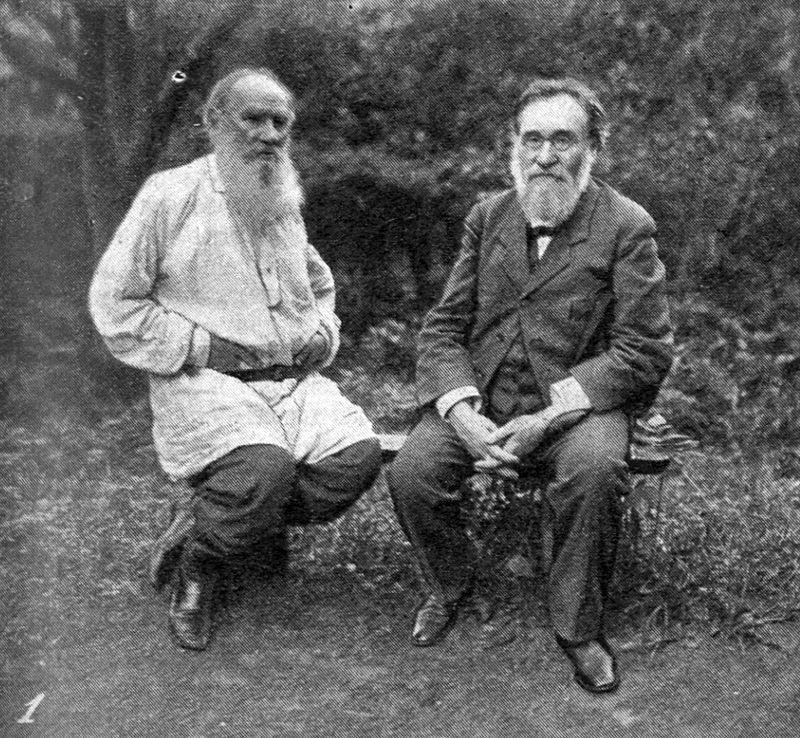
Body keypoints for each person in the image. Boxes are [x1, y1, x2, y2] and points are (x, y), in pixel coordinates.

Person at [388, 77, 673, 693]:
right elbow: (443, 327)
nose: (545, 156)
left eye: (562, 140)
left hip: (579, 408)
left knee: (595, 472)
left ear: (593, 148)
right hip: (485, 398)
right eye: (532, 139)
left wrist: (549, 417)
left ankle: (578, 628)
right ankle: (451, 583)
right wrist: (462, 411)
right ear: (514, 146)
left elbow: (645, 349)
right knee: (412, 473)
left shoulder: (627, 226)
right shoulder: (488, 217)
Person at [89, 67, 381, 651]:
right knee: (263, 471)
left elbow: (319, 284)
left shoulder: (280, 196)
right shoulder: (170, 195)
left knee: (355, 460)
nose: (270, 134)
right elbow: (114, 301)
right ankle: (199, 566)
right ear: (214, 123)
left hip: (290, 384)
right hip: (205, 383)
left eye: (281, 122)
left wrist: (322, 333)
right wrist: (201, 345)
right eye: (254, 119)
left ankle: (226, 523)